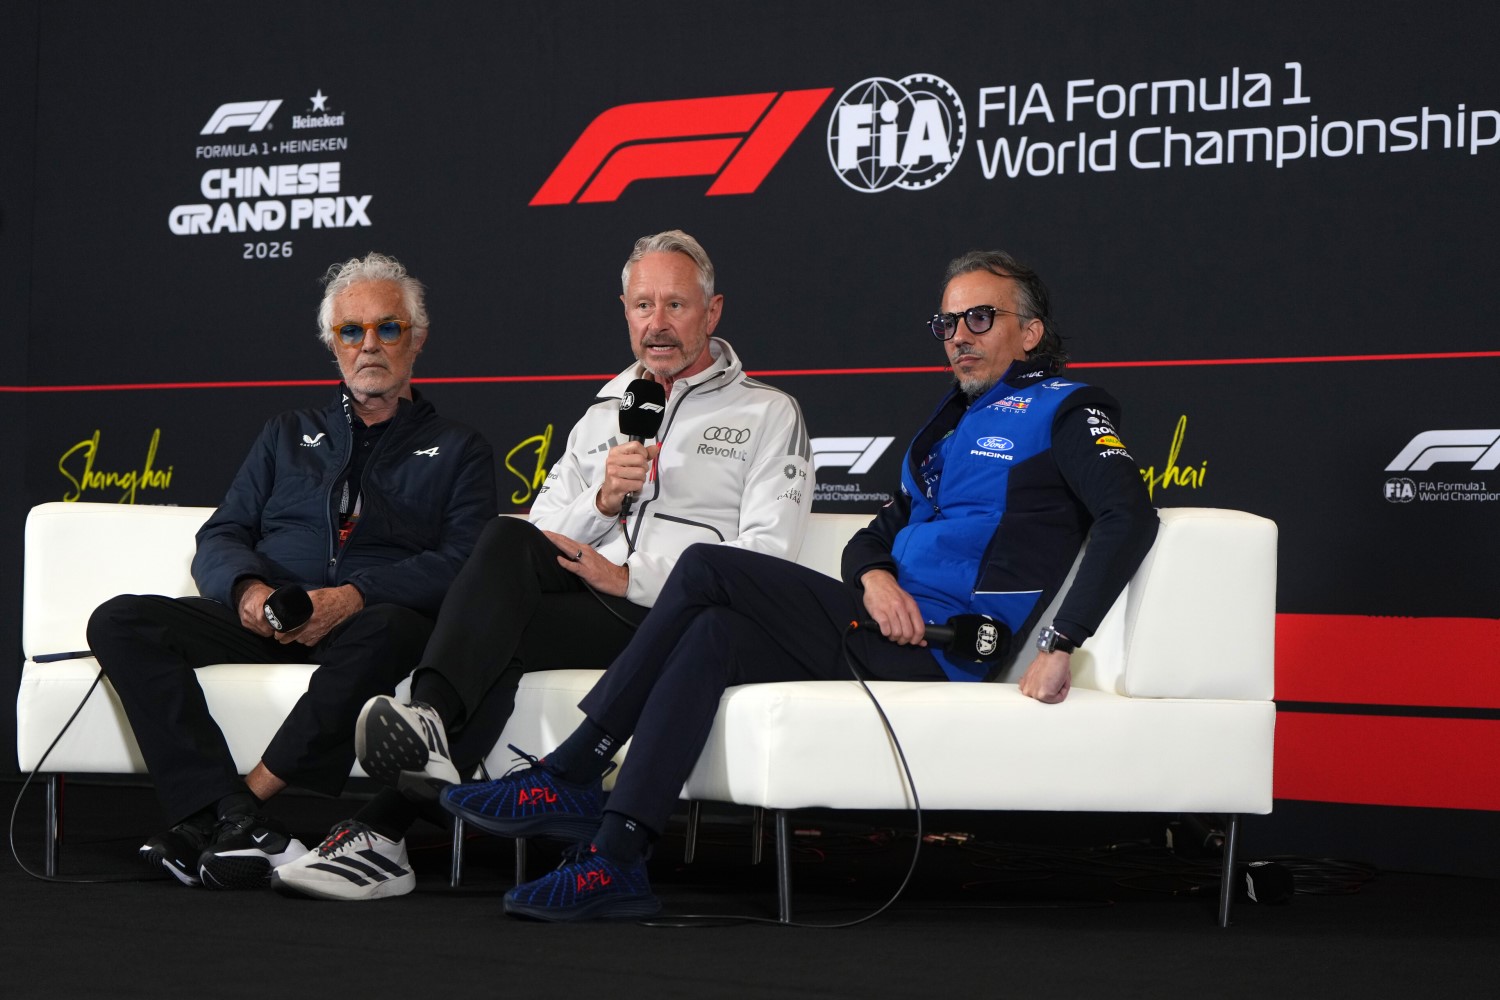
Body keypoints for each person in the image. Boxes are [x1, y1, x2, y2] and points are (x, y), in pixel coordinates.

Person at [441, 249, 1162, 921]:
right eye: (948, 321)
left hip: (949, 647)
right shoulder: (946, 430)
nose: (959, 336)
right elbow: (873, 539)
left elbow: (1128, 517)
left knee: (705, 568)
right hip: (882, 629)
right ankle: (617, 859)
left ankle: (576, 763)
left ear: (1031, 333)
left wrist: (1062, 642)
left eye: (982, 318)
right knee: (713, 632)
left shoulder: (1066, 410)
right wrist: (875, 578)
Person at [270, 230, 814, 901]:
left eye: (676, 305)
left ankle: (385, 824)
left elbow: (765, 563)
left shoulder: (767, 413)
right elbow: (542, 533)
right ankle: (412, 771)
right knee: (503, 547)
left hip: (677, 619)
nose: (658, 323)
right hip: (596, 606)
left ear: (713, 312)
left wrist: (633, 577)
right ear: (624, 310)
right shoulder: (603, 413)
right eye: (643, 306)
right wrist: (604, 498)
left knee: (501, 633)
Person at [86, 252, 497, 889]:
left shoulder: (460, 448)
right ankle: (227, 816)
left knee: (392, 631)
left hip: (371, 623)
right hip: (270, 612)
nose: (369, 346)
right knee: (121, 621)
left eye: (388, 328)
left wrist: (354, 595)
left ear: (416, 340)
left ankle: (239, 809)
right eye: (351, 331)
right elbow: (223, 532)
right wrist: (248, 591)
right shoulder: (286, 433)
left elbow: (464, 561)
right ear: (331, 345)